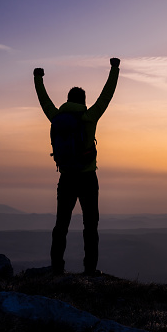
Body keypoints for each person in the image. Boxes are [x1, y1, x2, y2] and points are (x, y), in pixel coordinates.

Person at [33, 58, 120, 276]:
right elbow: (106, 95)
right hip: (88, 179)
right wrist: (114, 69)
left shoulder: (56, 117)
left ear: (68, 100)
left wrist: (38, 78)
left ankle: (57, 268)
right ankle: (89, 270)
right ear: (83, 101)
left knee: (61, 225)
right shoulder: (89, 117)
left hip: (66, 178)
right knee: (90, 226)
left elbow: (44, 101)